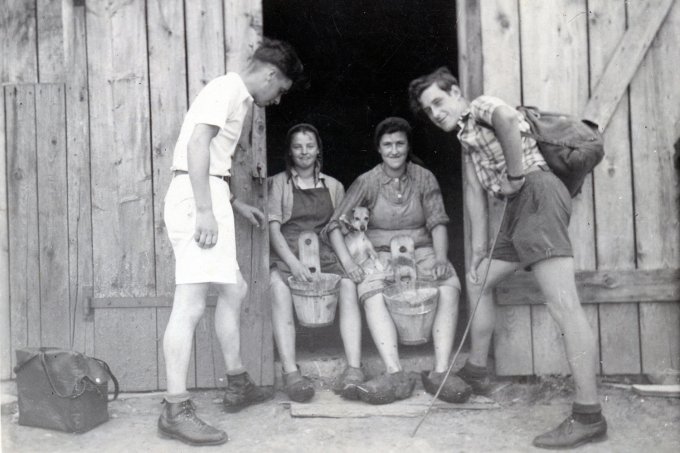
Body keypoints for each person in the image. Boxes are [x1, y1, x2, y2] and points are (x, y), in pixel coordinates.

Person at [408, 67, 607, 449]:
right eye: (428, 110)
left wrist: (515, 175)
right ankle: (478, 370)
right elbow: (475, 197)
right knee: (479, 280)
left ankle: (588, 415)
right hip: (519, 210)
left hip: (536, 193)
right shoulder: (467, 139)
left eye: (438, 101)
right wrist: (480, 251)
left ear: (457, 93)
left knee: (563, 305)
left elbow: (506, 118)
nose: (435, 113)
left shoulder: (481, 106)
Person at [159, 38, 304, 446]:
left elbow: (216, 160)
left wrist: (232, 203)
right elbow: (196, 145)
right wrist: (205, 209)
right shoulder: (225, 89)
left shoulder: (237, 98)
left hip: (212, 195)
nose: (276, 100)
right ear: (271, 75)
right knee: (188, 305)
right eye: (280, 91)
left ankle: (237, 382)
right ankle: (175, 407)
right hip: (196, 199)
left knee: (235, 289)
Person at [323, 117, 471, 405]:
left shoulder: (424, 177)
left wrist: (441, 257)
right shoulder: (367, 181)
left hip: (423, 250)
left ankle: (441, 371)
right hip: (380, 255)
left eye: (400, 143)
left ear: (407, 146)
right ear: (379, 148)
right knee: (373, 293)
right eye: (387, 144)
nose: (394, 150)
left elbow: (438, 221)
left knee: (450, 285)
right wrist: (350, 264)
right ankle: (395, 374)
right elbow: (334, 226)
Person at [268, 123, 364, 402]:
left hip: (325, 255)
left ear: (318, 149)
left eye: (309, 146)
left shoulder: (333, 186)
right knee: (279, 289)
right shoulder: (278, 184)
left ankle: (354, 368)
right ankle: (290, 372)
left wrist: (347, 263)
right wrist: (293, 264)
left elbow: (336, 230)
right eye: (297, 146)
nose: (304, 152)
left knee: (348, 287)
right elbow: (274, 231)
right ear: (290, 151)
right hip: (289, 254)